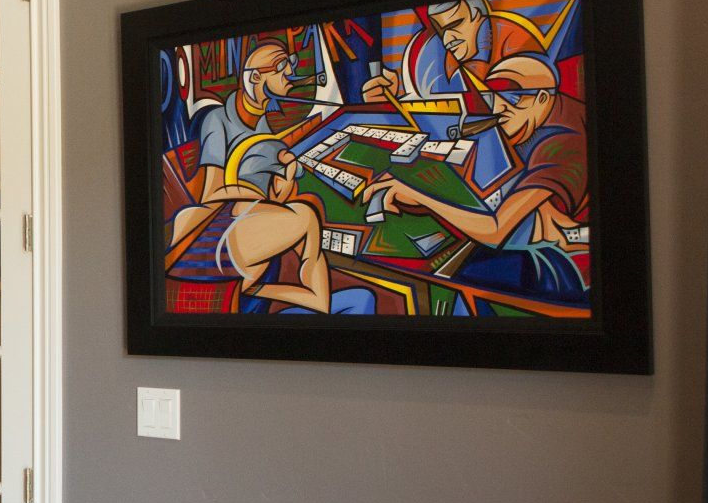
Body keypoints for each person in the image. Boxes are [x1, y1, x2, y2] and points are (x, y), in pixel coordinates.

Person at [365, 53, 587, 300]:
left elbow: (496, 230)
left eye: (513, 96)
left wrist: (421, 197)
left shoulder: (563, 144)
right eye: (491, 95)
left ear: (543, 98)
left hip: (560, 267)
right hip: (531, 229)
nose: (499, 107)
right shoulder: (528, 117)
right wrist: (396, 100)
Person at [168, 138, 374, 315]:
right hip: (245, 324)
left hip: (197, 332)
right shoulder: (299, 216)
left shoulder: (189, 216)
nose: (293, 189)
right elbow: (320, 301)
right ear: (277, 182)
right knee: (361, 299)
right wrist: (257, 289)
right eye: (291, 180)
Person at [361, 0, 544, 101]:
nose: (447, 40)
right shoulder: (440, 61)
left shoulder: (517, 46)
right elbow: (437, 116)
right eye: (441, 31)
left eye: (455, 25)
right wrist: (391, 102)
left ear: (477, 16)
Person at [194, 41, 295, 203]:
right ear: (256, 77)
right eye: (281, 64)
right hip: (229, 215)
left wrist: (285, 185)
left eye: (290, 61)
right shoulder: (216, 119)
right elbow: (211, 195)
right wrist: (261, 197)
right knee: (306, 216)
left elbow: (268, 187)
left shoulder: (262, 122)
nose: (290, 71)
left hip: (260, 211)